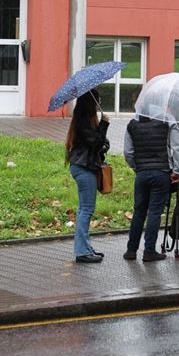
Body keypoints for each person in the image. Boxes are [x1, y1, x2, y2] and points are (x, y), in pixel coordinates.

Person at [122, 111, 179, 262]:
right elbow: (176, 147)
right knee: (154, 213)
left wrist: (137, 168)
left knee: (139, 212)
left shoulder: (132, 124)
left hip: (141, 175)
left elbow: (128, 152)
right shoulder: (168, 120)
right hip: (161, 173)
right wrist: (177, 170)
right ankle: (149, 250)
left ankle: (131, 250)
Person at [65, 90, 110, 264]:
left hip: (85, 166)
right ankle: (82, 251)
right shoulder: (83, 122)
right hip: (83, 168)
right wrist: (104, 124)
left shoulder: (85, 121)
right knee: (86, 210)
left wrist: (101, 134)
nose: (99, 102)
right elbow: (97, 143)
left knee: (84, 210)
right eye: (97, 100)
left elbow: (101, 143)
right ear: (90, 103)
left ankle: (85, 247)